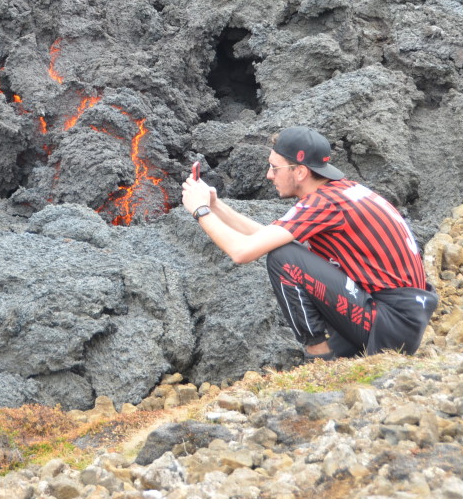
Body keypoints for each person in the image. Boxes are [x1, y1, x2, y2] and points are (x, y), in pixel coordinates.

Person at [181, 126, 438, 359]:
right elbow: (265, 238)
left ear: (301, 171)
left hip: (390, 322)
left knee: (282, 259)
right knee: (283, 251)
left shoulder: (322, 203)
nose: (269, 175)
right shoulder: (341, 192)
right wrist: (216, 206)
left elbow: (241, 252)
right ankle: (336, 353)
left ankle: (320, 357)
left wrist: (200, 211)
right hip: (403, 317)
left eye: (275, 167)